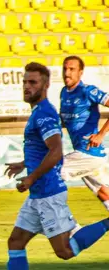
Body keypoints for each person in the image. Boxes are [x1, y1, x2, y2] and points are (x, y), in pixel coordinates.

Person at [0, 62, 109, 270]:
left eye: (32, 83)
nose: (26, 87)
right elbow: (44, 149)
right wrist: (24, 164)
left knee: (65, 252)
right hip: (38, 195)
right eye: (24, 82)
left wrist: (31, 178)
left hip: (48, 193)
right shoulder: (38, 112)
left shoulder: (43, 113)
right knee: (16, 241)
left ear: (44, 86)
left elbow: (55, 150)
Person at [59, 56, 109, 211]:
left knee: (50, 172)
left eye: (72, 69)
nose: (67, 73)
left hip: (88, 153)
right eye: (65, 69)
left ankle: (61, 223)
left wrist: (101, 134)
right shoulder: (64, 93)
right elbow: (66, 120)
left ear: (80, 72)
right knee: (104, 193)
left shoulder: (88, 91)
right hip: (86, 154)